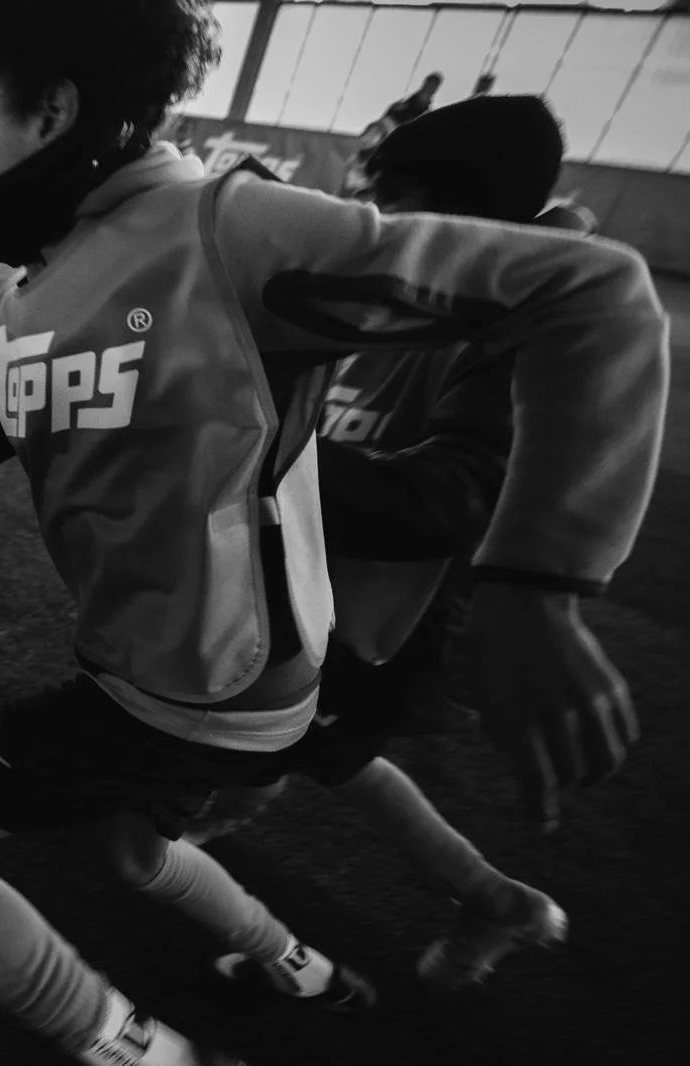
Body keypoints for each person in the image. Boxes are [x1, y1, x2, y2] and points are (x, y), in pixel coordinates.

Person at [0, 2, 666, 1064]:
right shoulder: (27, 301)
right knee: (137, 850)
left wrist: (539, 584)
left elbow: (590, 289)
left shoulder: (227, 227)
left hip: (203, 696)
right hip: (169, 681)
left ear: (49, 109)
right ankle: (296, 965)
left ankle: (139, 1049)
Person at [186, 95, 596, 993]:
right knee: (312, 746)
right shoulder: (414, 291)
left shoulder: (522, 328)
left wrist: (262, 458)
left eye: (394, 202)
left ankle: (491, 900)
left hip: (389, 620)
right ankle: (488, 898)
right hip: (327, 590)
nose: (372, 224)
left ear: (466, 212)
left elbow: (444, 502)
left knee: (286, 741)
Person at [340, 72, 443, 198]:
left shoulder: (428, 115)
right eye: (429, 84)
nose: (430, 89)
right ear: (424, 84)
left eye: (434, 87)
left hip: (401, 155)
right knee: (378, 133)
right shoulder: (400, 107)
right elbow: (385, 123)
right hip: (386, 144)